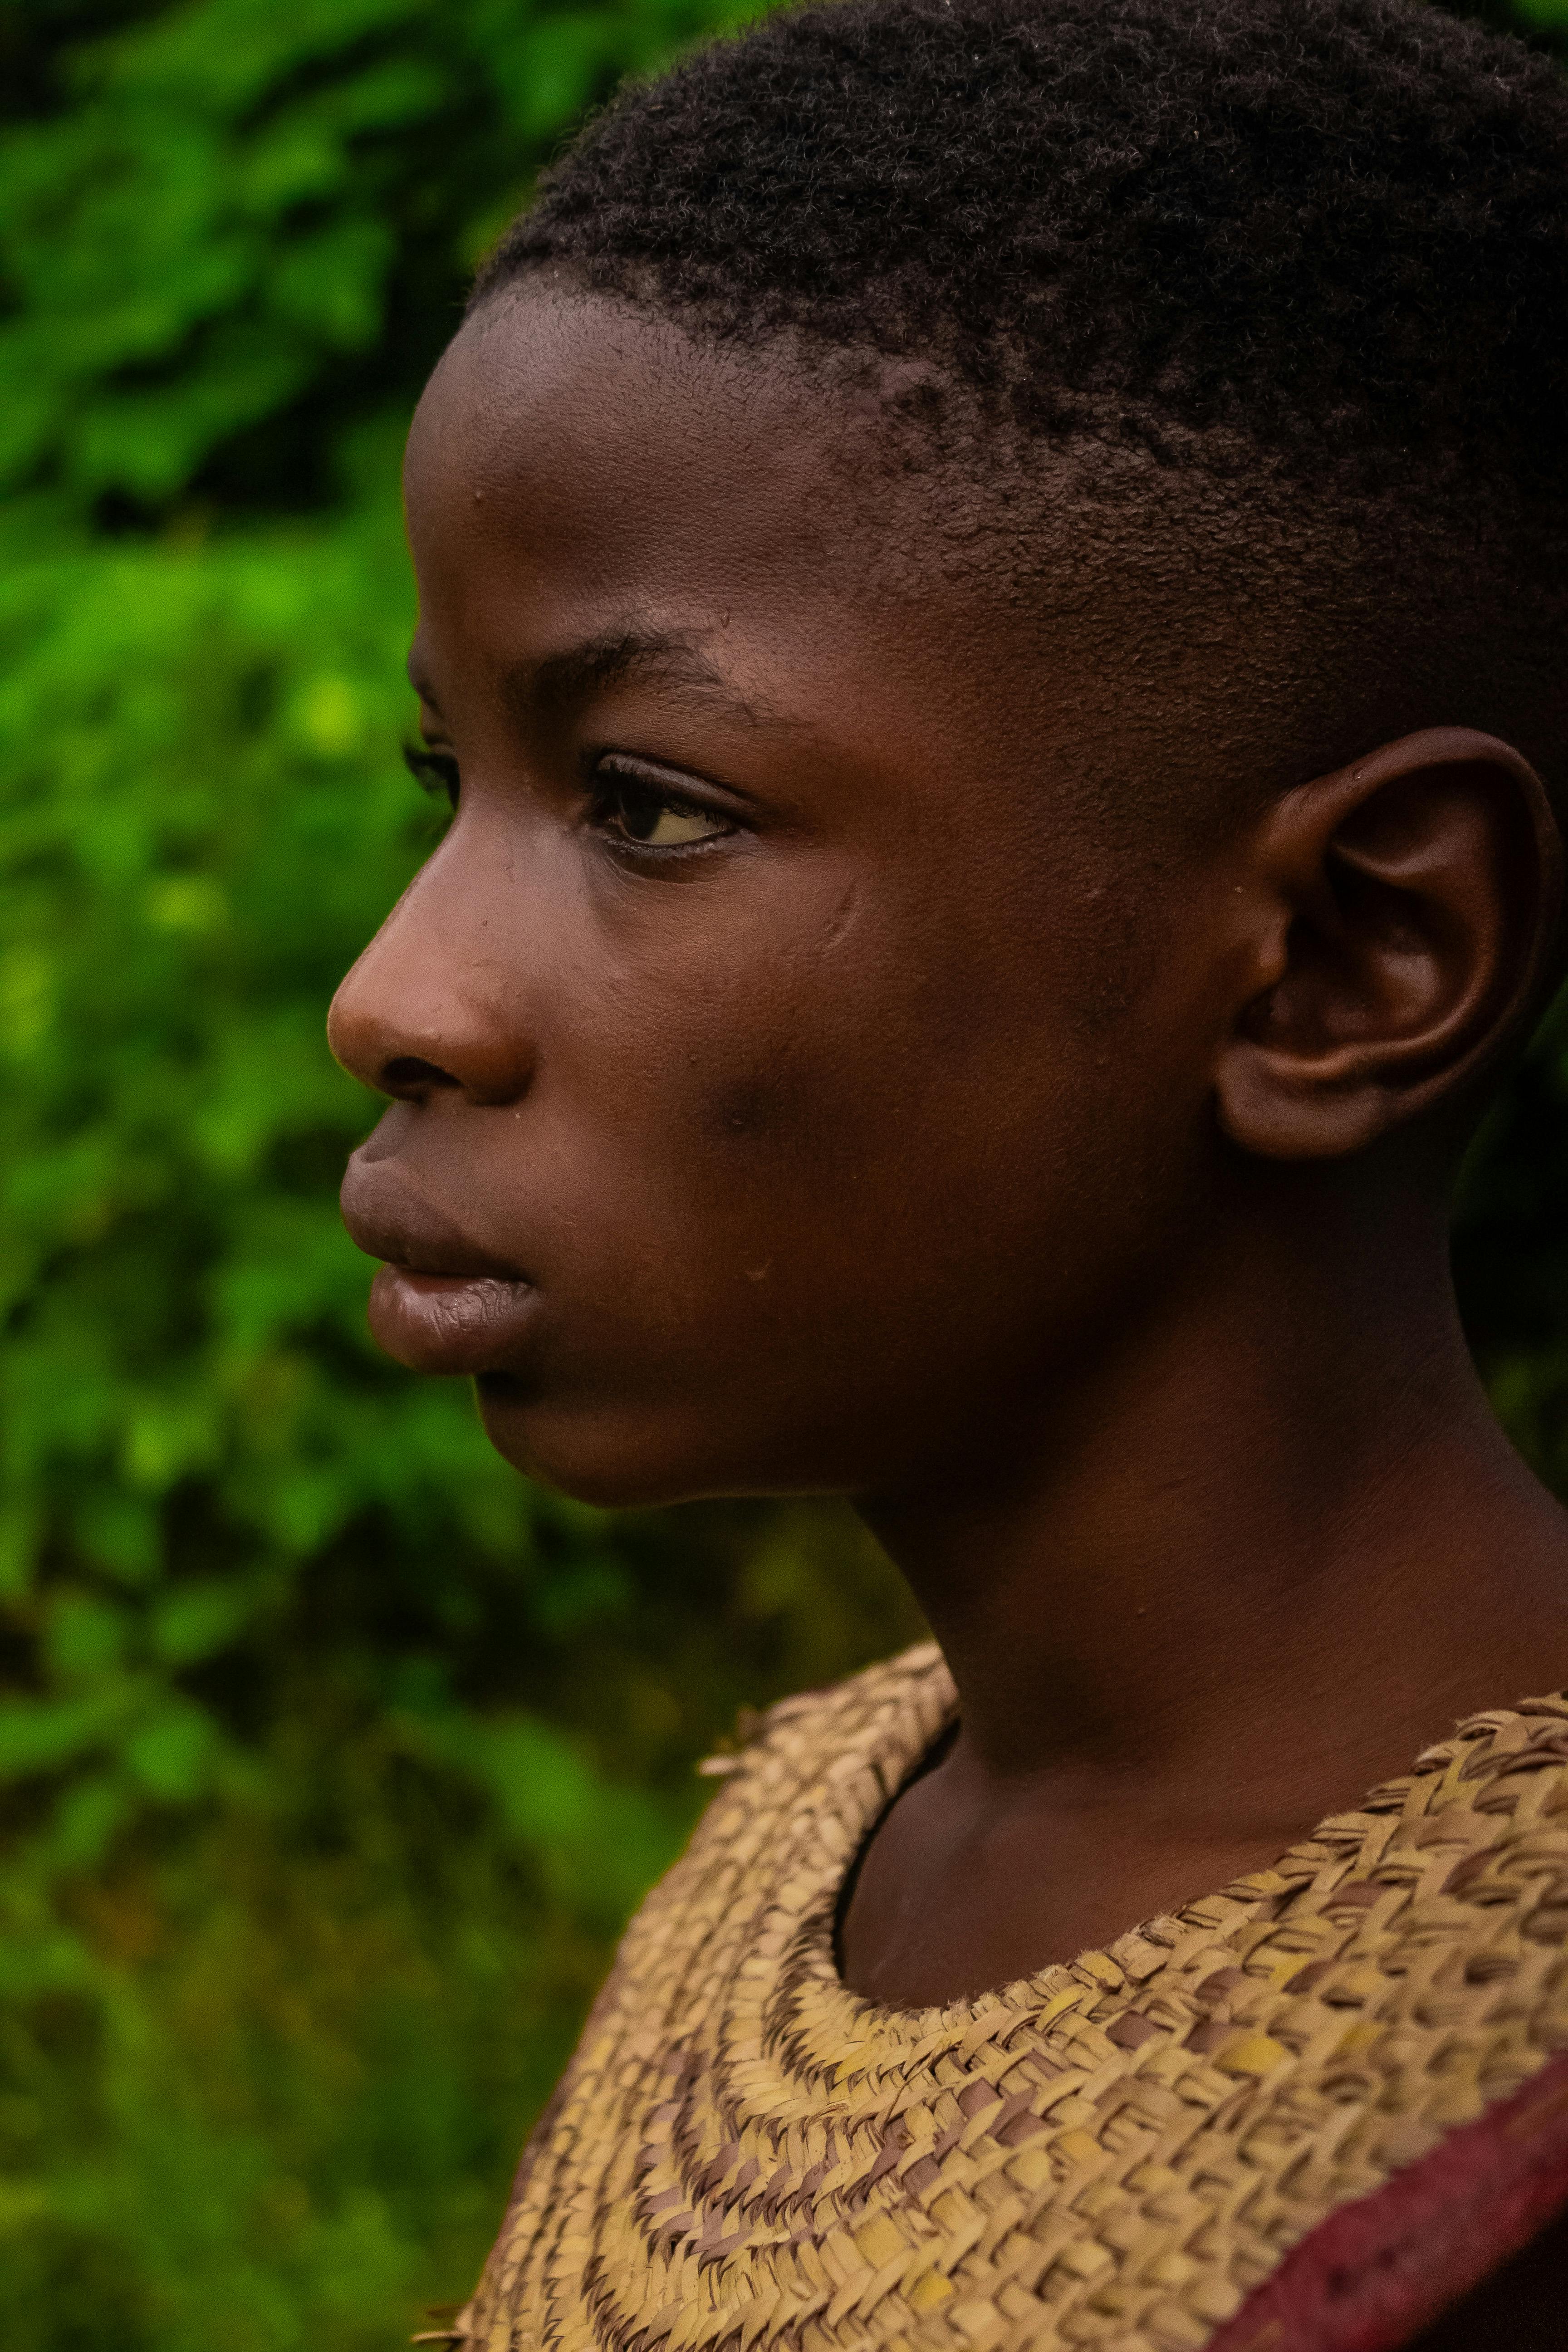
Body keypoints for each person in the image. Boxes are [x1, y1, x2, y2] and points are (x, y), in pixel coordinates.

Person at [326, 0, 1568, 2340]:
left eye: (645, 806)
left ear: (1349, 959)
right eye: (449, 782)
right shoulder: (803, 1839)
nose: (396, 996)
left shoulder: (1505, 2119)